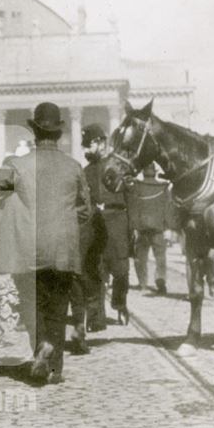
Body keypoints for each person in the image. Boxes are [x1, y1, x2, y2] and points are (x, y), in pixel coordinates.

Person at [0, 103, 90, 383]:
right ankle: (54, 367)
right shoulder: (74, 167)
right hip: (64, 249)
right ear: (58, 135)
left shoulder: (18, 165)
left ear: (35, 133)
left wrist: (12, 201)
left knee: (32, 305)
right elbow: (85, 209)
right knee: (58, 307)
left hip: (28, 248)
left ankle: (41, 346)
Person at [82, 124, 131, 325]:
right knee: (96, 268)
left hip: (117, 220)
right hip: (94, 222)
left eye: (90, 144)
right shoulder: (84, 171)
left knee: (121, 270)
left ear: (101, 143)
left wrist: (132, 226)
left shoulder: (118, 165)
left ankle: (119, 303)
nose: (86, 150)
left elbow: (131, 195)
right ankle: (95, 318)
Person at [128, 164, 170, 295]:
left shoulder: (137, 187)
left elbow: (133, 208)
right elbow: (167, 209)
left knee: (141, 257)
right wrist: (167, 227)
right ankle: (160, 279)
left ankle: (143, 283)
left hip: (142, 227)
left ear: (143, 172)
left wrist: (133, 227)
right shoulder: (163, 187)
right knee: (160, 257)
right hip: (158, 227)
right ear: (156, 172)